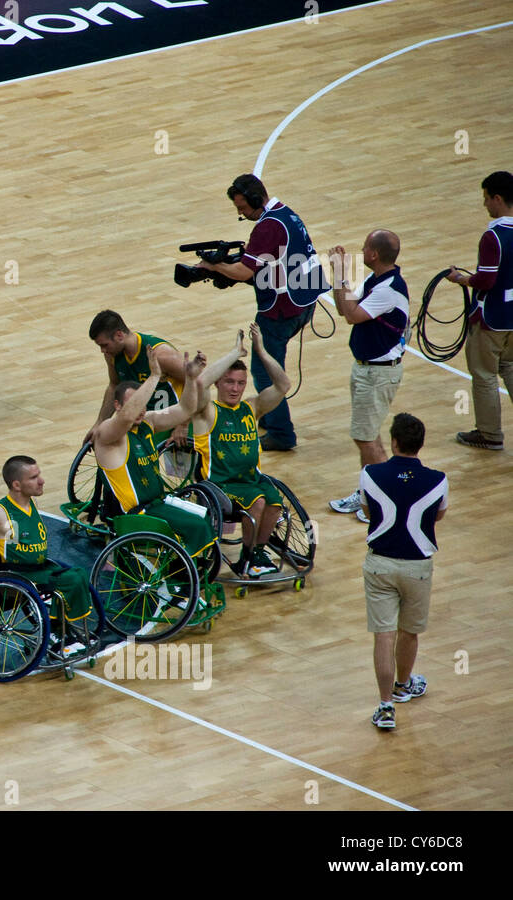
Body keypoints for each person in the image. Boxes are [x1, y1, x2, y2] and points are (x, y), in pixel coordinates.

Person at [194, 175, 329, 451]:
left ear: (256, 200)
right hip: (304, 301)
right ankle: (271, 412)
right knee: (272, 362)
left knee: (265, 368)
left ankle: (281, 433)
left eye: (242, 208)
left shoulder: (267, 228)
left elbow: (245, 271)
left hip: (281, 309)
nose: (241, 214)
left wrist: (214, 265)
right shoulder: (287, 214)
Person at [360, 413, 447, 730]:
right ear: (420, 445)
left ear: (393, 442)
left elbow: (368, 511)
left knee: (383, 634)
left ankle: (385, 706)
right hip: (417, 568)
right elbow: (439, 515)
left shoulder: (370, 473)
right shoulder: (438, 480)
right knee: (409, 631)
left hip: (380, 564)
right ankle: (403, 685)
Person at [92, 350, 215, 563]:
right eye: (135, 403)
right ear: (118, 406)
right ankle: (180, 579)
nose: (141, 409)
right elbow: (127, 416)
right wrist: (155, 376)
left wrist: (190, 379)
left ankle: (190, 571)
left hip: (157, 504)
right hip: (135, 515)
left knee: (203, 515)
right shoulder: (107, 433)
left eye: (143, 402)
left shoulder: (148, 422)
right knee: (193, 526)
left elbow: (186, 409)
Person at [0, 455, 93, 637]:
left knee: (79, 573)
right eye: (33, 478)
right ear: (17, 485)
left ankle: (60, 624)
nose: (41, 481)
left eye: (39, 475)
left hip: (38, 571)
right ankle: (57, 629)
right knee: (71, 580)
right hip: (16, 578)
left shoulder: (31, 503)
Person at [191, 325, 293, 576]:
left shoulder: (252, 407)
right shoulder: (208, 411)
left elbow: (283, 385)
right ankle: (249, 558)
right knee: (257, 502)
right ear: (219, 383)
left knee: (274, 503)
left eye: (240, 383)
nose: (235, 389)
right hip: (220, 485)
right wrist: (235, 353)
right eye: (229, 382)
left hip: (251, 480)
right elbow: (200, 383)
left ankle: (256, 552)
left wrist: (260, 351)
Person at [328, 231, 409, 521]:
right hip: (366, 369)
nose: (361, 250)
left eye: (364, 247)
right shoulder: (376, 280)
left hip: (377, 373)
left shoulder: (388, 289)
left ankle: (381, 502)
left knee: (366, 439)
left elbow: (351, 316)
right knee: (368, 436)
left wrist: (339, 273)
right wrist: (341, 277)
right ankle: (368, 493)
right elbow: (344, 308)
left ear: (374, 254)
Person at [446, 170, 513, 451]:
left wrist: (462, 279)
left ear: (497, 198)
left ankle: (489, 434)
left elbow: (485, 280)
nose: (484, 204)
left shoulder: (493, 236)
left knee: (484, 374)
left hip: (491, 319)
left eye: (486, 199)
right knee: (510, 367)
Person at [84, 310, 189, 448]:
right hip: (144, 421)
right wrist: (99, 423)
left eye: (104, 345)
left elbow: (197, 382)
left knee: (185, 470)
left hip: (174, 419)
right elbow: (114, 386)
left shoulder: (161, 355)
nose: (102, 351)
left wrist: (183, 424)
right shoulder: (112, 356)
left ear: (119, 335)